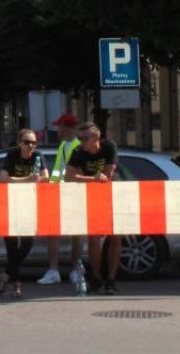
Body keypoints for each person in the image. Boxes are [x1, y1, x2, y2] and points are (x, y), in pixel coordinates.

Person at [66, 122, 119, 294]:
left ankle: (111, 280)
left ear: (96, 137)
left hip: (113, 196)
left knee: (115, 237)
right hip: (92, 198)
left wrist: (88, 177)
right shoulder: (78, 152)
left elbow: (107, 175)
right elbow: (68, 176)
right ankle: (96, 278)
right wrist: (92, 179)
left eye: (85, 138)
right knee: (93, 238)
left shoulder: (109, 147)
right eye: (79, 138)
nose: (81, 142)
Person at [0, 129, 47, 299]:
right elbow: (3, 178)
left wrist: (38, 179)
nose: (31, 145)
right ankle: (17, 285)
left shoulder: (38, 156)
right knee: (11, 247)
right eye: (27, 142)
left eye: (33, 142)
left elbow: (45, 176)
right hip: (9, 204)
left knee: (26, 243)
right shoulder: (12, 155)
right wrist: (26, 180)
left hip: (28, 205)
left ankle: (5, 275)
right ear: (19, 143)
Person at [38, 112, 84, 285]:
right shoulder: (63, 145)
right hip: (59, 194)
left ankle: (76, 270)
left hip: (74, 194)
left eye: (59, 126)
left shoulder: (79, 146)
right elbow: (58, 169)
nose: (57, 129)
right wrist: (52, 186)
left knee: (76, 234)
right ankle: (54, 271)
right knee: (54, 232)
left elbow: (71, 171)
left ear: (66, 128)